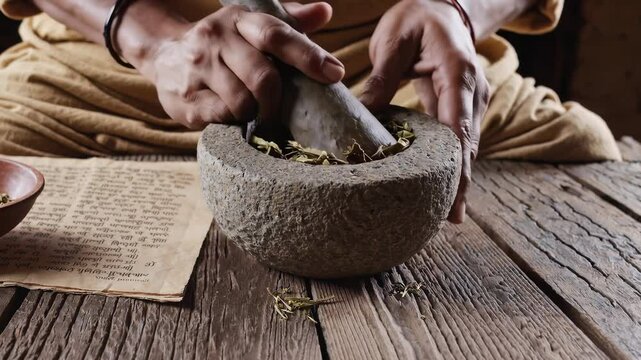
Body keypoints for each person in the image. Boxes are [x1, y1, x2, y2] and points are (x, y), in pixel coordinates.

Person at [0, 0, 621, 223]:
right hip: (108, 71)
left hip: (393, 73)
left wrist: (459, 11)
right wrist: (147, 38)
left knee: (585, 153)